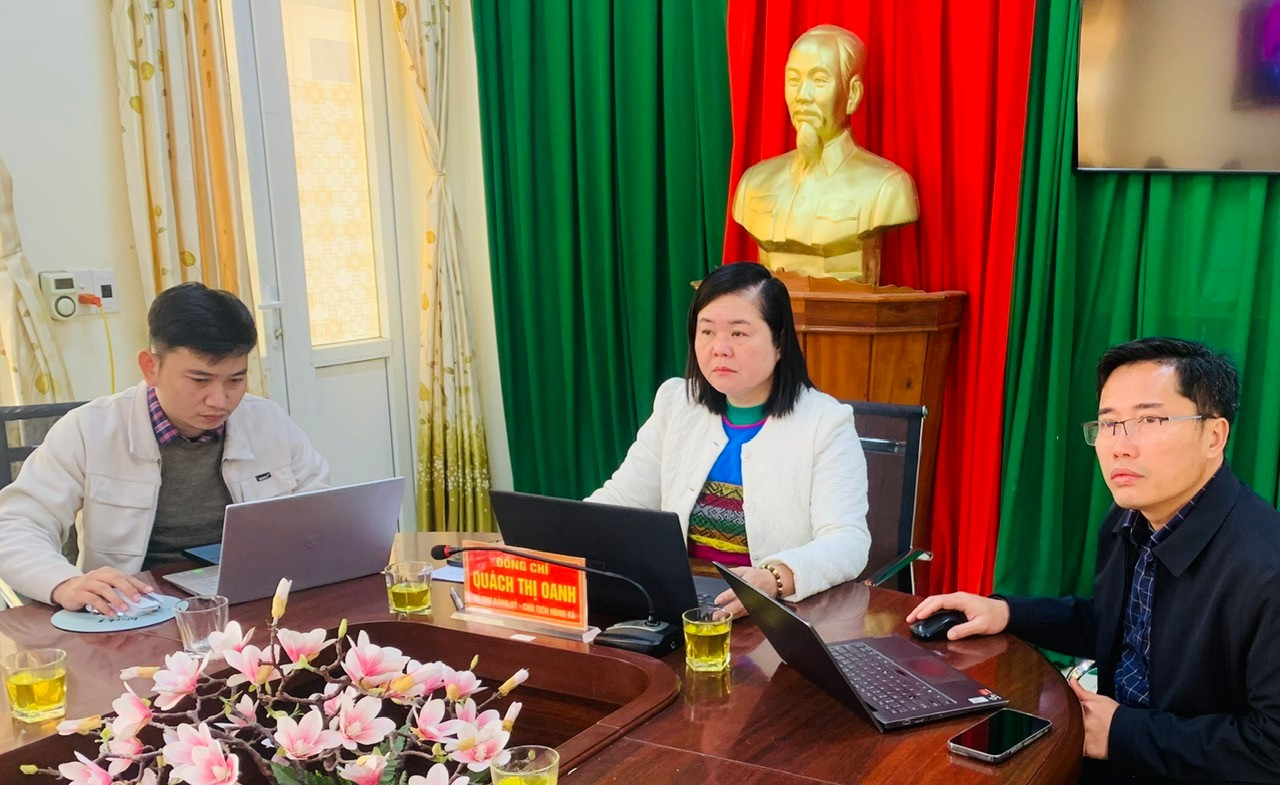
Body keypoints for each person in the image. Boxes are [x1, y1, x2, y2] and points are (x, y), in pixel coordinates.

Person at [908, 337, 1280, 783]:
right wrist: (1006, 612)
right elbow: (1113, 626)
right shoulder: (1129, 515)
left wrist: (1121, 733)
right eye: (1109, 424)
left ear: (1214, 436)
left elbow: (1271, 748)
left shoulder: (1266, 567)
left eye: (1150, 420)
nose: (1120, 446)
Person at [0, 282, 329, 615]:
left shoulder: (268, 421)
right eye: (200, 380)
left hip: (253, 599)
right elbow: (15, 525)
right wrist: (64, 582)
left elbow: (320, 511)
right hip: (133, 609)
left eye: (235, 380)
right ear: (150, 368)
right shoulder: (89, 429)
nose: (220, 400)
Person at [588, 262, 870, 617]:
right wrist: (561, 539)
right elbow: (621, 500)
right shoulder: (678, 404)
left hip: (778, 614)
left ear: (779, 342)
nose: (720, 348)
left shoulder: (826, 423)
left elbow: (847, 540)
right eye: (707, 331)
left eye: (738, 333)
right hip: (681, 608)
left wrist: (775, 578)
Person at [732, 24, 919, 285]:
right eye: (793, 81)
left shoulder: (887, 187)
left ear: (853, 94)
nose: (802, 96)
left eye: (819, 80)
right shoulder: (754, 182)